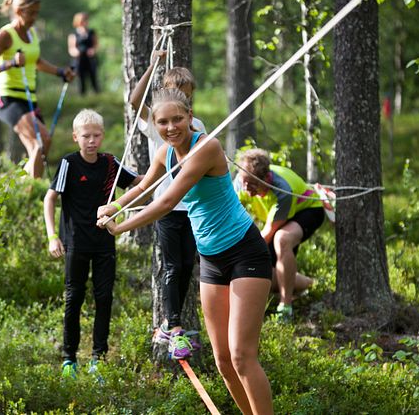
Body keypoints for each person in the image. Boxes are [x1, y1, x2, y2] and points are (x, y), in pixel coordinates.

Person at [97, 89, 273, 414]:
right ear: (155, 124)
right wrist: (113, 205)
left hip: (245, 253)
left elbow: (165, 202)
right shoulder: (165, 152)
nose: (171, 126)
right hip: (211, 260)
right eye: (163, 121)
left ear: (190, 117)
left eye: (177, 119)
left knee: (241, 356)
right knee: (222, 360)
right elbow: (143, 187)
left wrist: (120, 227)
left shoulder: (206, 147)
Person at [44, 109, 142, 379]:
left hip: (104, 242)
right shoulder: (69, 163)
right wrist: (53, 236)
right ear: (76, 137)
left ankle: (98, 357)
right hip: (75, 243)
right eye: (86, 136)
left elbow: (138, 182)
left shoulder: (110, 163)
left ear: (102, 136)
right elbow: (49, 199)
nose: (91, 141)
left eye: (96, 135)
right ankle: (69, 359)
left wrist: (169, 172)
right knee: (73, 299)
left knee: (104, 298)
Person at [129, 50, 206, 359]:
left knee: (189, 264)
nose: (183, 105)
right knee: (173, 266)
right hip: (167, 207)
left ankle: (173, 325)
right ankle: (171, 326)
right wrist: (152, 66)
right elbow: (135, 101)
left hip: (193, 206)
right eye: (178, 96)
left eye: (187, 99)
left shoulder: (196, 123)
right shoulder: (157, 120)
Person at [0, 0, 75, 178]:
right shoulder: (5, 35)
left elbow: (36, 61)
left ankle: (25, 191)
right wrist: (11, 63)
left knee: (38, 148)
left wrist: (60, 72)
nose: (34, 17)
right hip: (8, 98)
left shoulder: (32, 33)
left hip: (29, 99)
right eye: (31, 13)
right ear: (18, 11)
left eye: (37, 13)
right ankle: (30, 190)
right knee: (43, 140)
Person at [234, 148, 324, 323]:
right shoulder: (240, 182)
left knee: (281, 239)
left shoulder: (281, 189)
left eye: (252, 184)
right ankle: (310, 283)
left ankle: (286, 305)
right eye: (244, 182)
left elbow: (269, 232)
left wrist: (243, 255)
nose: (246, 188)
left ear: (266, 178)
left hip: (308, 211)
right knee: (268, 272)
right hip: (275, 219)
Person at [67, 12, 99, 95]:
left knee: (94, 79)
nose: (85, 21)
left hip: (90, 60)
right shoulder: (73, 34)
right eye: (83, 20)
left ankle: (97, 96)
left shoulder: (91, 32)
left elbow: (96, 45)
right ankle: (82, 97)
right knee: (81, 80)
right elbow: (71, 49)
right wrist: (76, 52)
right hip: (79, 60)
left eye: (86, 19)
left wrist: (93, 51)